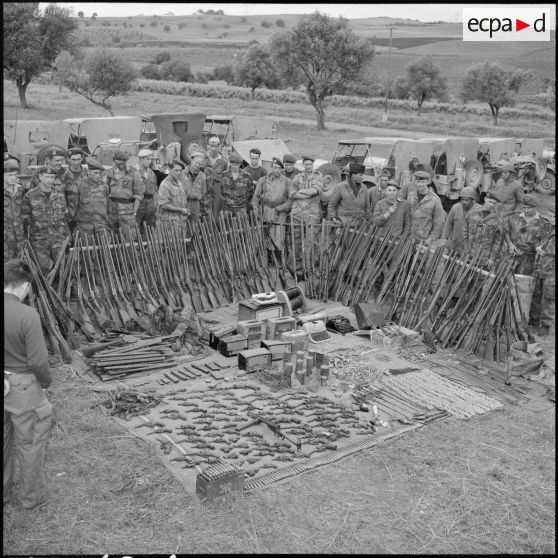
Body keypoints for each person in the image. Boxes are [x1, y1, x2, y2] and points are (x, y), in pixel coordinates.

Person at [4, 259, 52, 510]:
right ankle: (31, 498)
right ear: (23, 285)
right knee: (30, 442)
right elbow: (38, 360)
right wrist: (44, 383)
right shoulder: (27, 314)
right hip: (22, 386)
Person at [22, 165, 70, 275]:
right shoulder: (30, 195)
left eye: (52, 177)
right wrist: (28, 237)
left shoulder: (59, 194)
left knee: (62, 267)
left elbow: (64, 216)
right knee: (42, 270)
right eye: (47, 176)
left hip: (57, 238)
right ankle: (44, 291)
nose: (49, 180)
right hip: (39, 240)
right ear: (40, 177)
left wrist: (66, 234)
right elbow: (25, 218)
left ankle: (60, 290)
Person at [288, 155, 323, 274]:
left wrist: (301, 192)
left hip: (312, 214)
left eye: (310, 164)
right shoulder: (297, 177)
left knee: (310, 241)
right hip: (297, 213)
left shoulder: (318, 177)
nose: (308, 166)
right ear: (302, 165)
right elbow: (291, 193)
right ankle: (296, 266)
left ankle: (309, 266)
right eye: (306, 164)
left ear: (313, 165)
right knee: (295, 240)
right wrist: (306, 194)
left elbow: (315, 191)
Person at [252, 157, 292, 253]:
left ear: (282, 169)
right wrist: (256, 212)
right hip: (265, 210)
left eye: (279, 168)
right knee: (263, 234)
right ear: (271, 167)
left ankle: (277, 255)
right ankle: (265, 256)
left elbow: (291, 199)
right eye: (274, 167)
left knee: (278, 236)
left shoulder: (287, 182)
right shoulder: (263, 180)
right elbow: (255, 198)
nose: (276, 170)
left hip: (279, 213)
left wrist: (282, 208)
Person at [504, 195, 552, 276]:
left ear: (535, 207)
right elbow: (506, 231)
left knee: (521, 284)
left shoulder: (543, 223)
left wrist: (539, 247)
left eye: (528, 208)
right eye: (524, 207)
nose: (526, 210)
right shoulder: (514, 217)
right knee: (502, 280)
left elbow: (545, 241)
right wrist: (510, 244)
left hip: (527, 260)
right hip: (511, 256)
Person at [106, 150, 145, 240]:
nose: (120, 166)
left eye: (122, 164)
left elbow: (139, 195)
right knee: (112, 238)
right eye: (117, 163)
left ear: (126, 162)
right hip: (111, 212)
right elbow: (105, 191)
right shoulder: (109, 173)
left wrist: (134, 213)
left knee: (130, 238)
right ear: (114, 161)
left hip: (127, 212)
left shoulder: (134, 173)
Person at [463, 191, 505, 269]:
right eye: (490, 202)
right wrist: (465, 249)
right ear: (485, 199)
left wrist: (492, 259)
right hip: (468, 254)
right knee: (463, 277)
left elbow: (498, 242)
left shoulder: (498, 219)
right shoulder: (473, 211)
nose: (491, 205)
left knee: (480, 279)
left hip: (484, 258)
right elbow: (465, 231)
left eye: (494, 203)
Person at [73, 158, 112, 239]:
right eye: (95, 173)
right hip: (85, 226)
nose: (98, 176)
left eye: (100, 173)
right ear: (88, 171)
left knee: (104, 249)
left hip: (101, 225)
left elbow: (108, 205)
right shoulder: (79, 184)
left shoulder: (104, 186)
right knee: (87, 249)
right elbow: (74, 204)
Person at [529, 223, 555, 337]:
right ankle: (534, 322)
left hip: (552, 272)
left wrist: (545, 249)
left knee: (548, 299)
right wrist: (537, 247)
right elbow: (536, 239)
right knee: (536, 295)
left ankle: (545, 326)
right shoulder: (546, 228)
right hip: (539, 268)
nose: (552, 218)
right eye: (550, 214)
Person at [407, 170, 446, 245]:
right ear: (415, 182)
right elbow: (407, 216)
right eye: (418, 182)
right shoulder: (411, 196)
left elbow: (439, 222)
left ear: (428, 182)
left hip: (424, 239)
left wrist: (431, 238)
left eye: (423, 182)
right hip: (410, 237)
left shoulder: (435, 200)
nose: (420, 184)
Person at [443, 186, 481, 255]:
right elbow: (449, 223)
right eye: (462, 199)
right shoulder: (455, 208)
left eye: (467, 200)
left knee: (463, 265)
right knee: (448, 263)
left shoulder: (479, 211)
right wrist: (447, 237)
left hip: (468, 247)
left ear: (473, 200)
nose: (464, 202)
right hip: (454, 243)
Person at [157, 159, 191, 223]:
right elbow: (164, 205)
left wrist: (185, 211)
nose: (179, 173)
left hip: (181, 220)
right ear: (170, 170)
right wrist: (180, 210)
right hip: (170, 222)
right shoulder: (165, 184)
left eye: (180, 171)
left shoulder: (180, 182)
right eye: (176, 170)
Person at [4, 159, 25, 262]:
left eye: (14, 175)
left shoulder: (20, 190)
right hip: (5, 237)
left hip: (18, 235)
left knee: (18, 264)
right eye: (9, 175)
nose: (13, 178)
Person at [203, 137, 228, 219]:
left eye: (216, 146)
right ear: (208, 146)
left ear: (219, 147)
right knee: (204, 214)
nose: (214, 148)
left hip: (218, 192)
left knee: (216, 215)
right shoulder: (203, 160)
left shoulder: (224, 162)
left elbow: (225, 179)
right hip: (205, 191)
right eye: (212, 146)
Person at [135, 148, 158, 234]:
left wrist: (155, 205)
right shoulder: (133, 172)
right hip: (138, 202)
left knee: (149, 227)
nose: (150, 161)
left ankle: (147, 245)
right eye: (148, 159)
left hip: (150, 203)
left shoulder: (151, 173)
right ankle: (137, 246)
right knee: (136, 225)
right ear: (141, 159)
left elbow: (155, 190)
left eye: (151, 159)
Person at [62, 148, 88, 225]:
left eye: (78, 159)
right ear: (68, 159)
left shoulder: (88, 173)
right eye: (73, 159)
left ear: (82, 158)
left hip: (84, 214)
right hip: (68, 214)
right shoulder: (62, 175)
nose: (76, 162)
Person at [182, 151, 207, 221]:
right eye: (196, 163)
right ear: (191, 161)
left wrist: (197, 196)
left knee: (194, 226)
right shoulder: (182, 173)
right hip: (183, 203)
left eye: (200, 164)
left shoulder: (202, 176)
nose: (198, 165)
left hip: (195, 204)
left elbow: (203, 192)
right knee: (182, 224)